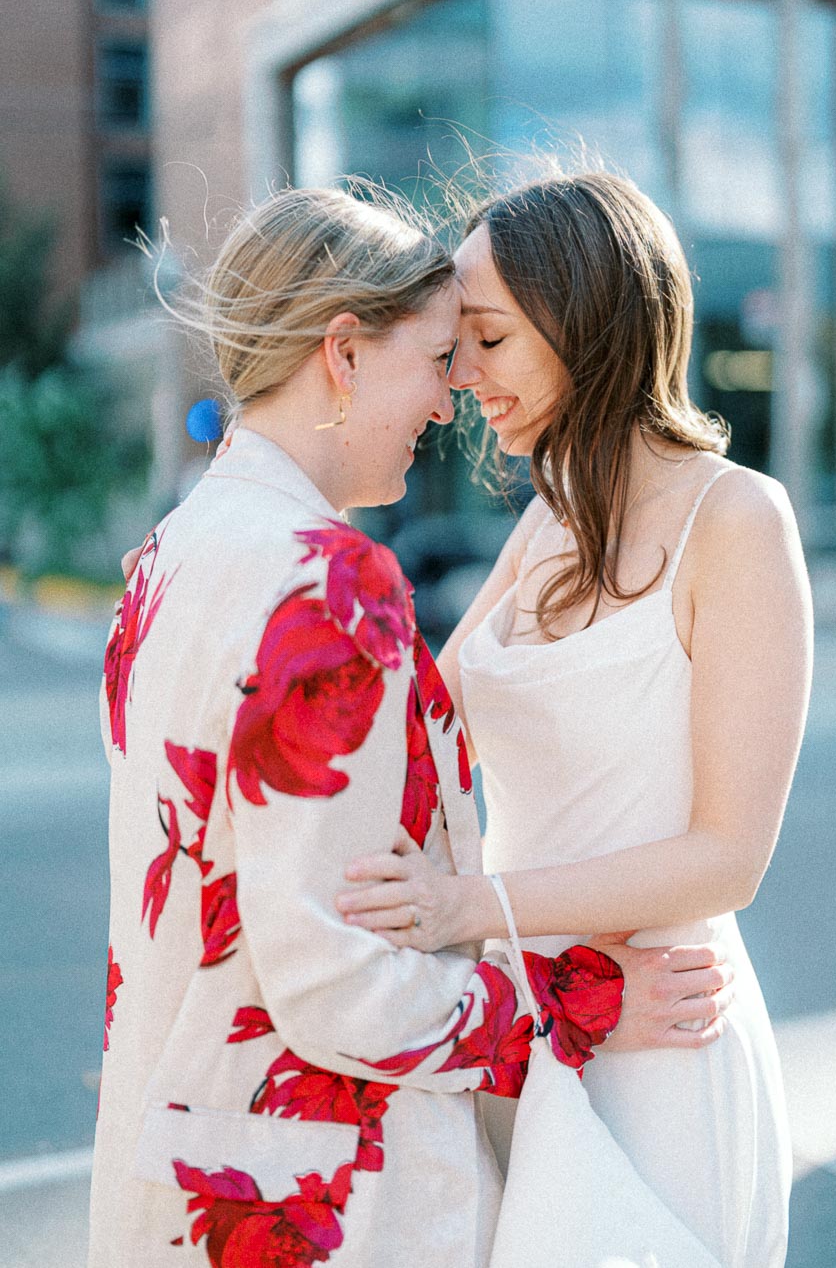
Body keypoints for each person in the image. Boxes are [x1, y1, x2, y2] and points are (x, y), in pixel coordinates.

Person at [92, 185, 734, 1268]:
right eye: (440, 359)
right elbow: (337, 977)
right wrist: (579, 1010)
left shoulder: (168, 558)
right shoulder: (326, 579)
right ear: (343, 353)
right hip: (320, 1200)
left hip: (181, 1164)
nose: (449, 405)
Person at [335, 171, 813, 1266]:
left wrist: (468, 907)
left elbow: (726, 858)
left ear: (583, 321)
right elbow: (424, 733)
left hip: (663, 1048)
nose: (462, 375)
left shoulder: (735, 520)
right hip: (535, 1032)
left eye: (489, 339)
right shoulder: (547, 519)